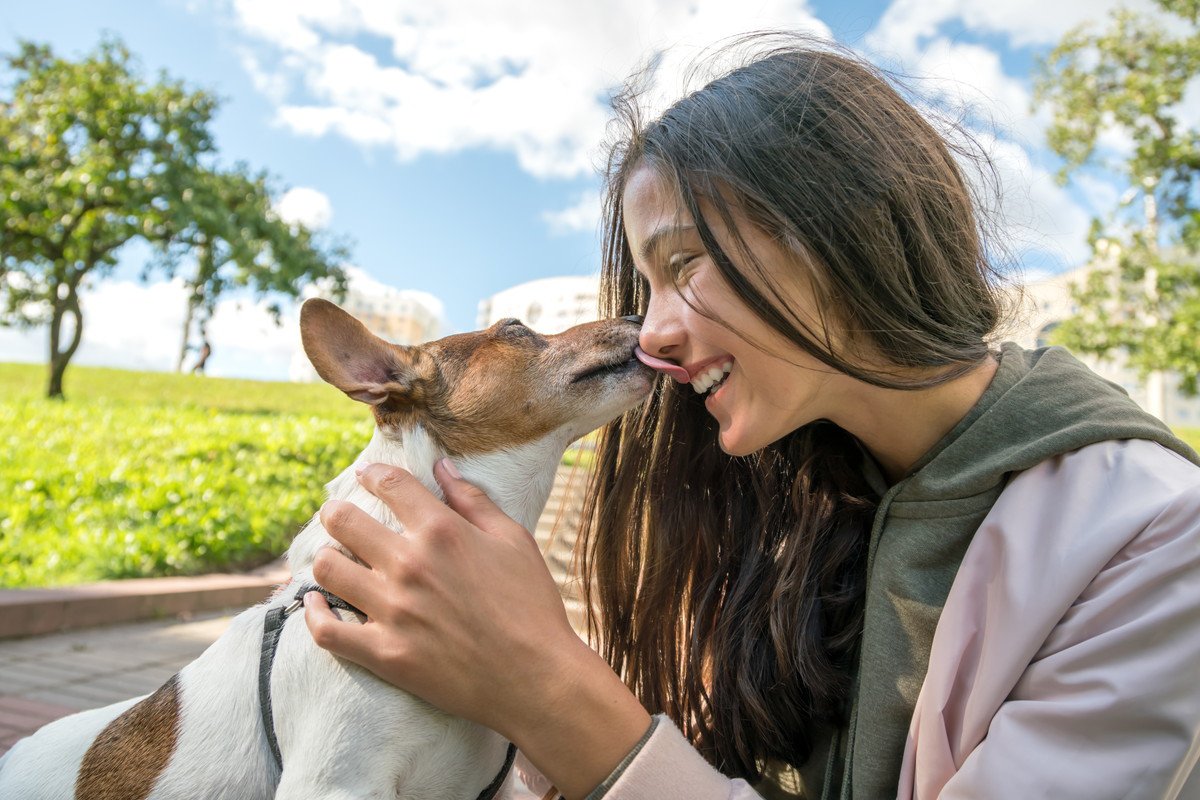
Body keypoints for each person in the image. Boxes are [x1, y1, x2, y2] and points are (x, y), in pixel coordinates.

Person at [301, 35, 1200, 799]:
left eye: (684, 263)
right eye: (644, 287)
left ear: (845, 221)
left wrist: (544, 686)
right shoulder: (787, 507)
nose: (649, 333)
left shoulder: (1158, 541)